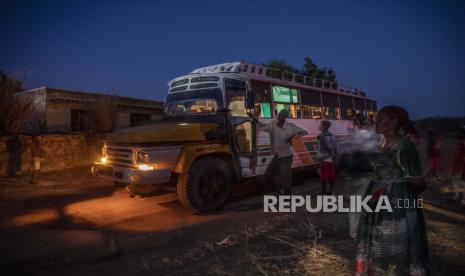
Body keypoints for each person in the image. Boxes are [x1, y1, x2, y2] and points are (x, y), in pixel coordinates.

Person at [355, 105, 430, 276]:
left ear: (394, 122)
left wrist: (398, 194)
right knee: (376, 236)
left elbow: (418, 182)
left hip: (395, 201)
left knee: (394, 240)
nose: (376, 122)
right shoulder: (382, 143)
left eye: (380, 119)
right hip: (377, 199)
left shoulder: (405, 147)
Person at [253, 109, 308, 195]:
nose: (279, 117)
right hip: (277, 155)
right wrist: (255, 120)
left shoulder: (290, 126)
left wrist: (293, 138)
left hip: (286, 155)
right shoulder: (273, 124)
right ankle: (279, 190)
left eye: (282, 115)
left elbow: (304, 132)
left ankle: (287, 194)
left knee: (286, 177)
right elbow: (263, 127)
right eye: (279, 115)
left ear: (285, 117)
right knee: (268, 174)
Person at [317, 120, 338, 195]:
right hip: (331, 160)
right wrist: (334, 156)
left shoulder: (323, 136)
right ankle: (331, 191)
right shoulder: (331, 135)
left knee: (324, 177)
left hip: (325, 159)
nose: (319, 126)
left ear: (324, 127)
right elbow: (335, 147)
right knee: (331, 176)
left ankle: (323, 192)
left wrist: (323, 157)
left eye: (320, 125)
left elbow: (328, 147)